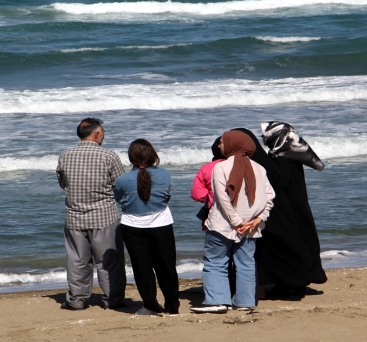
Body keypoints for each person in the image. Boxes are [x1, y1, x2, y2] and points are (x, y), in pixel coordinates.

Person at [191, 131, 275, 314]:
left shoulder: (220, 168)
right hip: (251, 226)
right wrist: (258, 219)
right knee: (246, 262)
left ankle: (217, 301)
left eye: (222, 142)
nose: (220, 145)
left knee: (216, 261)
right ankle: (245, 302)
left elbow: (222, 199)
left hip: (223, 224)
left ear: (233, 145)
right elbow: (270, 198)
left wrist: (237, 222)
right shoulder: (259, 168)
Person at [56, 117, 127, 310]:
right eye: (102, 132)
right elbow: (120, 185)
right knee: (108, 261)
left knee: (77, 261)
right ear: (96, 134)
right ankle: (112, 298)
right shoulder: (108, 156)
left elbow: (63, 183)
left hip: (74, 216)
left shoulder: (65, 155)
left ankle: (77, 299)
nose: (103, 135)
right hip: (104, 216)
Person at [258, 122, 327, 295]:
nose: (262, 137)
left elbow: (281, 183)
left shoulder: (281, 158)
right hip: (297, 205)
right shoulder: (287, 155)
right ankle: (297, 281)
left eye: (266, 134)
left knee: (294, 241)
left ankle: (293, 283)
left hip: (291, 207)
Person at [114, 139, 180, 315]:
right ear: (152, 155)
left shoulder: (122, 180)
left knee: (142, 268)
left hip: (132, 225)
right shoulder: (164, 175)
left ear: (131, 158)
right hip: (161, 223)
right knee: (166, 267)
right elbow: (166, 197)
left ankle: (151, 305)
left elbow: (120, 200)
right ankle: (173, 306)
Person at [190, 137, 235, 296]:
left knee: (218, 258)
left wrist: (210, 194)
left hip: (215, 215)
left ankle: (221, 293)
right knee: (240, 258)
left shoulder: (207, 168)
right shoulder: (240, 166)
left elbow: (197, 195)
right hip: (242, 215)